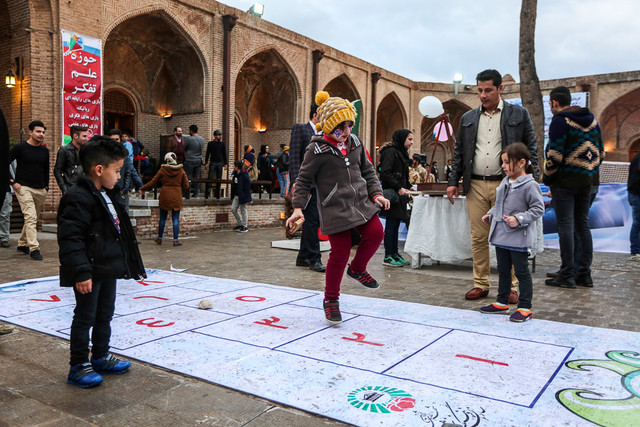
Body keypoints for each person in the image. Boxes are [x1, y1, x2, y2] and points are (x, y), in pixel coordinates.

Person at [287, 91, 390, 324]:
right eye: (340, 127)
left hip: (361, 203)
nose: (346, 132)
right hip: (334, 207)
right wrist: (297, 208)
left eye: (349, 125)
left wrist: (376, 194)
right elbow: (303, 180)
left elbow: (368, 171)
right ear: (329, 126)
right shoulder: (316, 149)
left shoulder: (355, 142)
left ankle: (358, 268)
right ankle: (331, 300)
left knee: (376, 234)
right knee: (339, 253)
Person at [57, 135, 145, 388]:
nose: (119, 177)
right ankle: (78, 365)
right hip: (89, 271)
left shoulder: (108, 194)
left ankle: (100, 356)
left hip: (108, 268)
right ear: (99, 169)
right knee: (85, 316)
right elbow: (71, 239)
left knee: (105, 314)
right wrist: (82, 272)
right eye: (116, 171)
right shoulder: (78, 197)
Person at [447, 69, 538, 302]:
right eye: (479, 90)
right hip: (475, 185)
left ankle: (513, 288)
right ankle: (481, 284)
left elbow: (531, 148)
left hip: (508, 186)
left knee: (511, 237)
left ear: (500, 89)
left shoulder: (518, 113)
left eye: (488, 90)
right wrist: (452, 182)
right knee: (478, 237)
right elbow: (459, 153)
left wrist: (529, 178)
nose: (483, 95)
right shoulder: (468, 118)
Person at [543, 86, 603, 288]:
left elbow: (554, 156)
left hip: (565, 181)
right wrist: (588, 171)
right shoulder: (593, 121)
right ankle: (583, 273)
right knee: (582, 225)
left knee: (566, 226)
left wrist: (547, 177)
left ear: (554, 102)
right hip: (588, 181)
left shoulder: (560, 121)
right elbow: (601, 153)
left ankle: (567, 274)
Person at [480, 143, 544, 322]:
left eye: (507, 162)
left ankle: (525, 307)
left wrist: (519, 219)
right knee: (503, 269)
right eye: (502, 162)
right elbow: (499, 204)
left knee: (521, 271)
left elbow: (538, 209)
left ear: (522, 162)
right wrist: (491, 214)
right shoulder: (505, 182)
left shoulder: (530, 185)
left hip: (518, 237)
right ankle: (502, 302)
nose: (503, 166)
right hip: (501, 234)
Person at [288, 104, 326, 272]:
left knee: (311, 221)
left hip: (320, 184)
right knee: (312, 221)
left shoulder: (326, 134)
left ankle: (303, 257)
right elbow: (294, 156)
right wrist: (295, 181)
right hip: (305, 184)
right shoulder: (301, 129)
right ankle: (314, 258)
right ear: (315, 115)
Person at [9, 120, 50, 261]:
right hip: (23, 188)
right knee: (31, 218)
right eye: (38, 131)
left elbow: (46, 170)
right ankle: (34, 248)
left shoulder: (44, 150)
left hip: (40, 190)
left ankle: (22, 243)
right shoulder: (20, 148)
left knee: (32, 218)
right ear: (30, 132)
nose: (41, 134)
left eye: (43, 132)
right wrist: (12, 182)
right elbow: (4, 162)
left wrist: (46, 186)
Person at [379, 129, 413, 267]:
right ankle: (388, 255)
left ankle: (395, 253)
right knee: (391, 225)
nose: (411, 143)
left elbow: (403, 175)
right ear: (402, 138)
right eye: (409, 139)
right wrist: (398, 187)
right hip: (393, 196)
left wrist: (410, 187)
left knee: (396, 224)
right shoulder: (391, 152)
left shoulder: (401, 153)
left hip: (400, 196)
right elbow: (386, 173)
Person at [140, 152, 189, 246]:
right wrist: (179, 191)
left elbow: (153, 182)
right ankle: (175, 240)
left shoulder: (163, 169)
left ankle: (159, 238)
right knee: (175, 219)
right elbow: (186, 185)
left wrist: (143, 188)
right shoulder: (181, 170)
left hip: (165, 195)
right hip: (176, 196)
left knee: (162, 218)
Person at [107, 129, 142, 211]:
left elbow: (129, 171)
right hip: (108, 190)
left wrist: (124, 189)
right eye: (112, 140)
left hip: (121, 190)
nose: (115, 142)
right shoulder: (104, 155)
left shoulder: (124, 154)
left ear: (120, 140)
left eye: (117, 139)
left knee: (124, 216)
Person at [54, 126, 88, 194]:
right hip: (70, 188)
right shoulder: (64, 150)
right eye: (84, 136)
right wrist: (64, 189)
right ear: (75, 136)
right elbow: (57, 171)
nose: (86, 139)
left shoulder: (87, 150)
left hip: (85, 189)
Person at [183, 124, 204, 197]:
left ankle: (187, 193)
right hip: (198, 160)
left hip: (190, 159)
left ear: (191, 131)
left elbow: (184, 148)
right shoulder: (202, 139)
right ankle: (195, 193)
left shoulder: (189, 139)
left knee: (188, 177)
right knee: (196, 177)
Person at [204, 129, 227, 199]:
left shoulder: (222, 144)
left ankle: (217, 194)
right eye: (219, 135)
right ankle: (207, 194)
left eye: (220, 135)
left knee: (219, 179)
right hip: (213, 162)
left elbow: (224, 154)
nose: (220, 136)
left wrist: (226, 163)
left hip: (220, 163)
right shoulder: (210, 144)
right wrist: (206, 163)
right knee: (210, 178)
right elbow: (207, 153)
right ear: (215, 136)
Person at [230, 160, 251, 232]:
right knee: (233, 209)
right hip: (236, 195)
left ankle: (245, 226)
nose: (233, 167)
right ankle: (240, 223)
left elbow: (247, 186)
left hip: (243, 195)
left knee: (243, 210)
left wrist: (246, 196)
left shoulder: (244, 175)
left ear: (237, 167)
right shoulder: (236, 174)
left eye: (234, 166)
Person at [629, 150, 640, 262]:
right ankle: (635, 251)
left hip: (634, 193)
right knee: (637, 222)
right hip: (636, 194)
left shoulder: (636, 156)